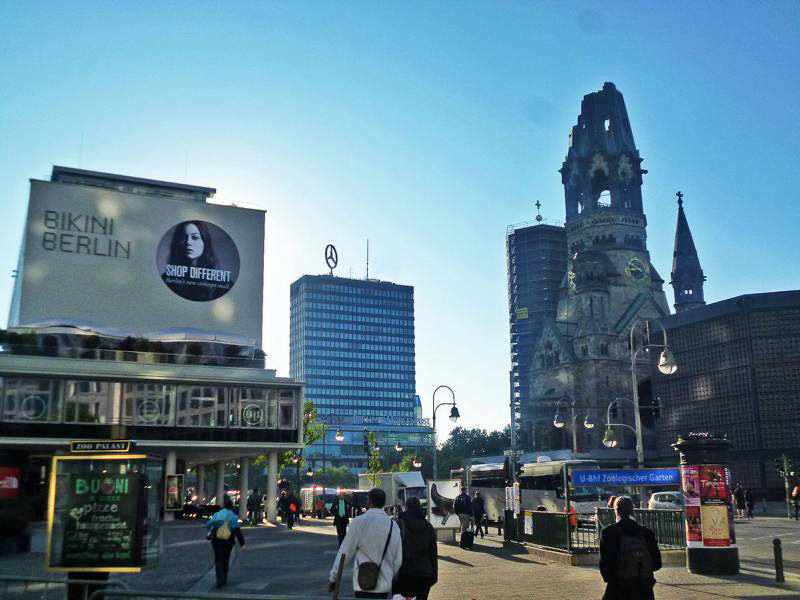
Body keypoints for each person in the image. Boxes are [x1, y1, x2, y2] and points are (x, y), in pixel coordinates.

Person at [328, 488, 402, 599]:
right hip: (384, 585)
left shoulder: (358, 522)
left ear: (369, 502)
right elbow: (398, 559)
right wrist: (389, 574)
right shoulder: (393, 526)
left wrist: (333, 577)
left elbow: (344, 553)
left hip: (362, 583)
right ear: (384, 503)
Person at [599, 496, 661, 600]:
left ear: (616, 512)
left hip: (618, 588)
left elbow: (604, 564)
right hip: (644, 589)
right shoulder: (647, 533)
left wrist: (612, 579)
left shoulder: (608, 533)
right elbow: (657, 563)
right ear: (632, 511)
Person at [161, 220, 225, 302]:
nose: (188, 242)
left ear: (205, 242)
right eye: (183, 238)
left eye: (195, 237)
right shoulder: (167, 278)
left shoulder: (220, 282)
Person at [394, 497, 438, 600]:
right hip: (424, 574)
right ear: (419, 508)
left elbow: (393, 550)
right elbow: (433, 553)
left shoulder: (399, 524)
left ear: (406, 507)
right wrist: (434, 575)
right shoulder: (428, 527)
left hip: (404, 573)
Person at [205, 495, 245, 589]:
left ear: (224, 506)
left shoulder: (218, 514)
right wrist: (242, 543)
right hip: (228, 541)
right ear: (232, 507)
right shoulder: (233, 516)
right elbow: (237, 531)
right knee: (226, 560)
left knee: (218, 560)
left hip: (217, 540)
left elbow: (208, 524)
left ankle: (219, 580)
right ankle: (225, 579)